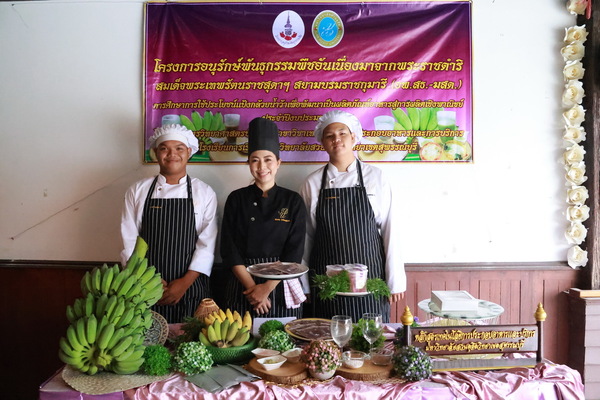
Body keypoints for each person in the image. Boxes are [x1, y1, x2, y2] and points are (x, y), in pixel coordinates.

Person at [300, 110, 405, 323]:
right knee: (327, 336)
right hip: (326, 282)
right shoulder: (312, 183)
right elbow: (305, 238)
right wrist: (304, 284)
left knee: (370, 335)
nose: (336, 139)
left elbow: (390, 229)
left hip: (370, 279)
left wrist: (395, 281)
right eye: (330, 135)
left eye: (342, 133)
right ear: (322, 142)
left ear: (354, 137)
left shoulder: (376, 177)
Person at [120, 124, 218, 323]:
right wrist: (148, 279)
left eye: (179, 148)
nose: (172, 154)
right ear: (156, 152)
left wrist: (184, 282)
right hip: (145, 285)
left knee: (190, 339)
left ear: (189, 152)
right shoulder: (138, 191)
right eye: (164, 148)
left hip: (191, 287)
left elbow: (207, 244)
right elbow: (129, 241)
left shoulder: (204, 192)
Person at [220, 117, 307, 318]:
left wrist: (266, 288)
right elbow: (229, 248)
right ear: (248, 163)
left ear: (278, 163)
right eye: (255, 160)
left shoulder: (292, 200)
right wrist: (253, 288)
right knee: (240, 336)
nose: (262, 166)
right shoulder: (236, 198)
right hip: (243, 283)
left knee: (283, 336)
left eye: (268, 159)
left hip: (280, 283)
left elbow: (294, 252)